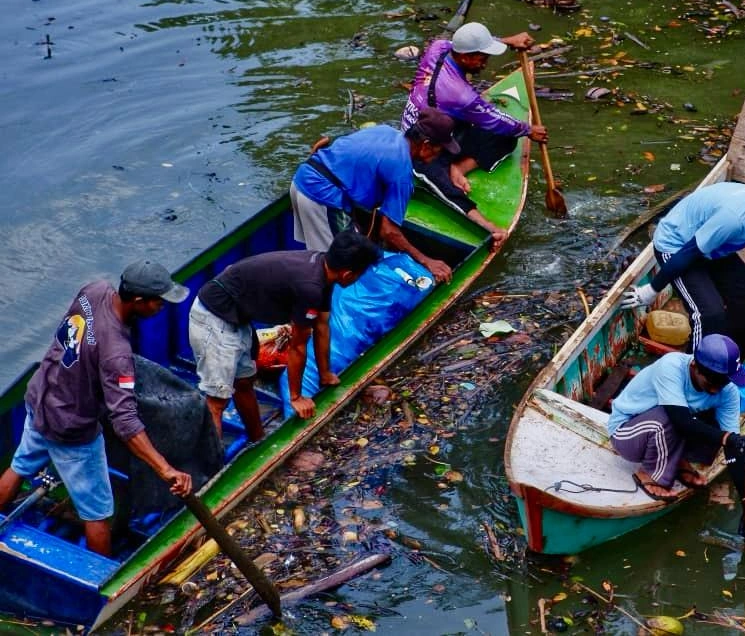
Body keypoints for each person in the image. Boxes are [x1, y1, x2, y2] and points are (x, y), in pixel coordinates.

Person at [0, 261, 194, 556]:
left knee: (21, 464)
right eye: (158, 301)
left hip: (42, 395)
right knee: (98, 511)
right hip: (70, 426)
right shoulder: (116, 354)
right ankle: (96, 579)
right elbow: (125, 421)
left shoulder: (95, 290)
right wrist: (165, 469)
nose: (162, 307)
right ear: (138, 301)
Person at [189, 229, 380, 439]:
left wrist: (325, 374)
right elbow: (297, 345)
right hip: (214, 316)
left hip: (238, 316)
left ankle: (258, 440)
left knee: (244, 382)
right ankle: (216, 468)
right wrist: (296, 397)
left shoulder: (324, 272)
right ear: (348, 274)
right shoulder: (311, 286)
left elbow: (322, 325)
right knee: (217, 401)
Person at [622, 172, 745, 361]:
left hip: (712, 247)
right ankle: (694, 377)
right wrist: (651, 290)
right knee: (709, 315)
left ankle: (729, 366)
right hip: (678, 246)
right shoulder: (736, 217)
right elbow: (689, 252)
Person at [290, 109, 500, 274]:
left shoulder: (384, 131)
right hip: (321, 198)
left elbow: (339, 151)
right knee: (338, 265)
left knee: (316, 252)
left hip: (301, 179)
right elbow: (388, 231)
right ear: (425, 145)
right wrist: (427, 261)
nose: (438, 157)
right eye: (439, 150)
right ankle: (328, 317)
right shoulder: (402, 171)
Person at [608, 334, 745, 545]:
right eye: (711, 381)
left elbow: (732, 449)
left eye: (722, 382)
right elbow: (680, 420)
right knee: (671, 417)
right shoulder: (671, 366)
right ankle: (649, 473)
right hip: (627, 433)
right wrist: (729, 438)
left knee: (715, 427)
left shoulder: (727, 392)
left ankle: (678, 462)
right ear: (694, 366)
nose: (715, 388)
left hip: (666, 433)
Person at [400, 21, 548, 212]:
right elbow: (495, 118)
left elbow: (465, 43)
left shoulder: (439, 47)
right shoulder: (462, 96)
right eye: (482, 58)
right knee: (507, 137)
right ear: (464, 57)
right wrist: (528, 130)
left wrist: (509, 41)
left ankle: (457, 167)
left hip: (419, 126)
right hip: (428, 147)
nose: (485, 63)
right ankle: (452, 168)